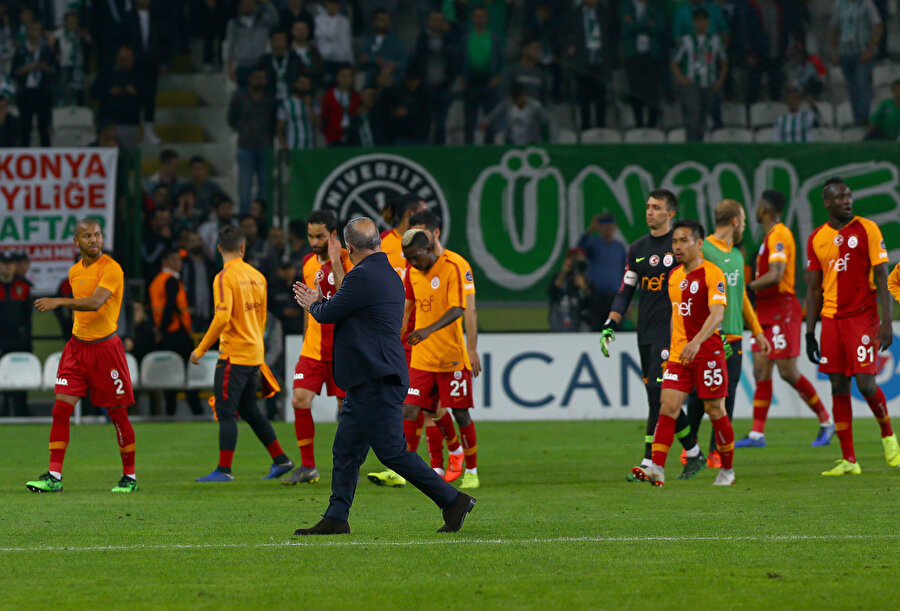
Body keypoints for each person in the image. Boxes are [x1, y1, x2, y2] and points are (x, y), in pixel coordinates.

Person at [292, 217, 475, 535]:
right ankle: (336, 517)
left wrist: (314, 303)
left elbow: (329, 313)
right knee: (346, 450)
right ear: (376, 241)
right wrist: (327, 295)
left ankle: (453, 500)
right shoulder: (387, 273)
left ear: (350, 247)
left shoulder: (363, 276)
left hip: (375, 378)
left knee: (392, 452)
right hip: (371, 376)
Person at [27, 220, 138, 493]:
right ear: (76, 242)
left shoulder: (111, 268)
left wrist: (60, 301)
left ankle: (130, 477)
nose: (94, 240)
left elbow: (96, 303)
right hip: (77, 349)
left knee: (117, 414)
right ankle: (54, 476)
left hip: (106, 351)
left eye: (97, 235)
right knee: (61, 409)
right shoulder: (75, 272)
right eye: (87, 236)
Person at [601, 191, 703, 479]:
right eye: (647, 206)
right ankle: (693, 453)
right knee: (654, 398)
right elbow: (626, 290)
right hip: (644, 332)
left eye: (656, 208)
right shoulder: (637, 249)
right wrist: (611, 321)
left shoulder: (680, 249)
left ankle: (650, 462)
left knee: (661, 395)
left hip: (670, 333)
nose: (649, 212)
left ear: (670, 214)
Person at [805, 177, 899, 475]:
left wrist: (887, 321)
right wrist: (810, 332)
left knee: (866, 383)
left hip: (862, 315)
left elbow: (883, 277)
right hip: (831, 319)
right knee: (837, 384)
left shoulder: (868, 229)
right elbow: (813, 289)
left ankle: (888, 437)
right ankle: (849, 460)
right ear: (827, 203)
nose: (847, 200)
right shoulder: (816, 238)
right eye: (840, 197)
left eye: (849, 195)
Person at [632, 219, 735, 486]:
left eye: (683, 241)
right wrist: (675, 345)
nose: (677, 246)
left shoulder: (713, 274)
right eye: (674, 241)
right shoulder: (674, 276)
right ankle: (656, 467)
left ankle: (727, 470)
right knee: (668, 407)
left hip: (708, 353)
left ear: (699, 244)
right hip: (680, 354)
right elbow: (676, 317)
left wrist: (697, 341)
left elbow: (718, 313)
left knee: (715, 410)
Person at [191, 225, 295, 482]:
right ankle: (281, 459)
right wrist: (258, 351)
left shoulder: (224, 277)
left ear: (218, 249)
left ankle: (224, 470)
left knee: (226, 412)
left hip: (234, 356)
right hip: (253, 354)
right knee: (249, 410)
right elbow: (262, 318)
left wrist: (200, 349)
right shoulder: (258, 276)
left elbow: (222, 317)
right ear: (243, 247)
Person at [738, 190, 835, 447]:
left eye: (758, 205)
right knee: (761, 369)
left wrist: (748, 288)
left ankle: (826, 421)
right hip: (765, 309)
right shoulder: (767, 237)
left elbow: (777, 274)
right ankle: (757, 434)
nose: (756, 209)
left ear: (764, 210)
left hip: (782, 309)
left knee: (787, 371)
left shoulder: (780, 234)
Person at [683, 200, 771, 468]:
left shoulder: (736, 255)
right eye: (743, 219)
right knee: (699, 394)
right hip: (710, 335)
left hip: (734, 336)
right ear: (735, 221)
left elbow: (742, 295)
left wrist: (757, 330)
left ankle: (715, 452)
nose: (744, 224)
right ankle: (692, 447)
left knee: (727, 395)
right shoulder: (705, 249)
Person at [397, 228, 481, 488]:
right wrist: (392, 338)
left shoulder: (451, 268)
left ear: (428, 249)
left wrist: (428, 330)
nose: (411, 262)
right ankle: (404, 469)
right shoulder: (412, 273)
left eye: (415, 256)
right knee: (411, 408)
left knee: (460, 412)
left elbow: (459, 308)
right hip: (422, 356)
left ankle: (471, 470)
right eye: (407, 258)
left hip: (451, 356)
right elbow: (406, 307)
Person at [281, 210, 351, 485]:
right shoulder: (308, 262)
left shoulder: (349, 259)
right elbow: (307, 304)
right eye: (310, 236)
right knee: (299, 399)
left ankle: (348, 466)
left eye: (319, 236)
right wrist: (304, 335)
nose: (313, 241)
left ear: (333, 235)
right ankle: (308, 466)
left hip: (342, 347)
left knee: (347, 408)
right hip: (313, 347)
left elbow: (347, 295)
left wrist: (335, 261)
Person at [149, 250, 204, 417]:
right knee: (187, 374)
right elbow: (170, 307)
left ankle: (170, 412)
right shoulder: (171, 280)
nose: (178, 263)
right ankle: (197, 412)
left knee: (170, 374)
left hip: (166, 334)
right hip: (176, 333)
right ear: (165, 262)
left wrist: (159, 330)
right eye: (174, 259)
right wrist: (164, 329)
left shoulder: (156, 281)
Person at [672, 8, 728, 142]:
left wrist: (720, 79)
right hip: (692, 84)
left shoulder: (715, 41)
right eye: (698, 20)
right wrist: (681, 78)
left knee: (703, 117)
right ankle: (691, 146)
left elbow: (724, 61)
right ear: (693, 22)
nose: (701, 24)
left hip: (709, 83)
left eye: (704, 20)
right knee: (692, 115)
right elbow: (674, 62)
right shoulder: (686, 41)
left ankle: (700, 145)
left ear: (708, 22)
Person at [228, 68, 276, 214]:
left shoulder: (270, 99)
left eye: (262, 77)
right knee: (245, 185)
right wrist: (243, 130)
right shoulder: (240, 97)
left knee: (265, 186)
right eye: (256, 77)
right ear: (249, 79)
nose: (259, 80)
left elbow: (274, 121)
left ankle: (262, 218)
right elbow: (231, 118)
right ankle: (244, 217)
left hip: (265, 147)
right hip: (245, 146)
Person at [830, 0, 883, 126]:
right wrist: (834, 51)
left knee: (862, 86)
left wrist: (870, 49)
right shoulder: (839, 4)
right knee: (852, 89)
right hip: (845, 53)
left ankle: (863, 119)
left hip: (862, 53)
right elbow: (834, 28)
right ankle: (857, 120)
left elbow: (878, 26)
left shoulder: (866, 4)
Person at [408, 9, 457, 144]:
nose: (437, 23)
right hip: (423, 88)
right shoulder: (419, 41)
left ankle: (439, 152)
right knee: (423, 123)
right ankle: (424, 152)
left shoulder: (450, 41)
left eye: (440, 20)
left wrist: (449, 83)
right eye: (434, 19)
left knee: (441, 124)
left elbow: (454, 64)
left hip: (443, 88)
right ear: (428, 21)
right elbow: (412, 62)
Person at [566, 0, 611, 130]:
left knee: (601, 100)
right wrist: (570, 45)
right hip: (583, 63)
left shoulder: (605, 12)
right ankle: (586, 129)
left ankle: (601, 130)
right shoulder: (574, 13)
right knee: (584, 99)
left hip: (600, 62)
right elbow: (564, 32)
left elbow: (613, 34)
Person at [123, 0, 163, 144]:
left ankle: (148, 132)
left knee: (150, 98)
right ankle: (133, 131)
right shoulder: (128, 17)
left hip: (151, 63)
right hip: (134, 64)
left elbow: (162, 39)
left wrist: (161, 60)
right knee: (134, 97)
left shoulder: (157, 16)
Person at [461, 6, 503, 144]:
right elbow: (460, 58)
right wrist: (462, 77)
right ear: (472, 19)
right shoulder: (467, 38)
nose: (479, 19)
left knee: (489, 119)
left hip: (488, 83)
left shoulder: (494, 38)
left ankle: (489, 147)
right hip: (471, 83)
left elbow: (501, 60)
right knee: (469, 120)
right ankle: (468, 147)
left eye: (482, 16)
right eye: (476, 16)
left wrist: (497, 77)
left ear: (487, 18)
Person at [578, 213, 626, 331]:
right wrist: (590, 229)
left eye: (610, 227)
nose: (607, 230)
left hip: (615, 298)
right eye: (605, 227)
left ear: (614, 227)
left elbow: (624, 272)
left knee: (615, 329)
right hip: (596, 296)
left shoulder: (619, 247)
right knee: (595, 328)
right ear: (600, 228)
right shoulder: (593, 244)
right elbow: (579, 248)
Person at [620, 0, 665, 128]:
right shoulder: (626, 5)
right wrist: (647, 24)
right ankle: (638, 124)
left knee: (653, 92)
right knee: (635, 92)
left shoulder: (655, 5)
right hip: (633, 55)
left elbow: (659, 27)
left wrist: (635, 24)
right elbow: (626, 27)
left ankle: (652, 125)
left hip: (652, 56)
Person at [12, 20, 55, 146]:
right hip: (26, 92)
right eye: (32, 29)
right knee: (25, 128)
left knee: (44, 128)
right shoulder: (20, 50)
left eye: (37, 29)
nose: (35, 32)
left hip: (43, 92)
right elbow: (13, 72)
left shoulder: (46, 49)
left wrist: (43, 67)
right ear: (27, 31)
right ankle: (24, 154)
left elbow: (55, 70)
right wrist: (25, 69)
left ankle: (46, 156)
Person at [91, 45, 142, 151]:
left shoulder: (137, 74)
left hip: (129, 122)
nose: (127, 62)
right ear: (118, 59)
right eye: (124, 59)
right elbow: (93, 92)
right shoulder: (106, 73)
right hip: (109, 121)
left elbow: (146, 96)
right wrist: (109, 92)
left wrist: (134, 92)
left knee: (127, 156)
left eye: (129, 59)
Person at [0, 251, 32, 417]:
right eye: (4, 263)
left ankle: (21, 413)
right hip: (1, 342)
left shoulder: (24, 287)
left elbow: (28, 319)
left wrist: (27, 342)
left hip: (19, 342)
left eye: (11, 263)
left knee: (21, 379)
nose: (7, 267)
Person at [480, 83, 554, 146]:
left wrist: (552, 140)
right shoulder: (508, 104)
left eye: (519, 99)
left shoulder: (535, 106)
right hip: (512, 141)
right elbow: (495, 114)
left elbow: (549, 120)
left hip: (531, 142)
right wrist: (486, 121)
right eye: (515, 100)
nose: (517, 102)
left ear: (523, 95)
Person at [225, 0, 276, 88]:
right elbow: (230, 46)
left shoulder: (263, 21)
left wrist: (266, 3)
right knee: (244, 93)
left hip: (261, 64)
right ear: (240, 6)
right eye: (245, 4)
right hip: (243, 65)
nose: (248, 6)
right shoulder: (233, 24)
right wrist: (230, 68)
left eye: (250, 3)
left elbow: (275, 21)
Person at [379, 193, 427, 279]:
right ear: (409, 214)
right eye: (424, 212)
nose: (428, 217)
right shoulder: (381, 242)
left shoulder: (427, 244)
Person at [358, 9, 407, 87]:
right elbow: (363, 59)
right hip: (370, 79)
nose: (384, 22)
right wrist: (375, 60)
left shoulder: (397, 42)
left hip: (391, 79)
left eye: (386, 20)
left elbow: (404, 61)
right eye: (381, 20)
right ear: (374, 22)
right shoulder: (368, 41)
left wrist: (390, 64)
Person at [548, 247, 591, 332]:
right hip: (561, 315)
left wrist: (584, 287)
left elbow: (592, 301)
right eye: (574, 257)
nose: (576, 260)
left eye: (580, 256)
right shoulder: (559, 276)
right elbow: (552, 293)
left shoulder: (586, 279)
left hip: (579, 318)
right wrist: (564, 272)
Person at [257, 29, 302, 103]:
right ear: (271, 41)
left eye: (282, 39)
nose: (279, 43)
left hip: (292, 98)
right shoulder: (264, 60)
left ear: (286, 41)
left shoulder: (295, 60)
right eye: (276, 39)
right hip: (269, 99)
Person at [181, 231, 214, 330]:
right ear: (187, 244)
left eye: (199, 240)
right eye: (193, 241)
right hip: (190, 309)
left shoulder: (209, 263)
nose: (197, 243)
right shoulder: (183, 264)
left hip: (207, 309)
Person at [277, 74, 319, 151]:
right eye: (302, 83)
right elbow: (279, 129)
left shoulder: (313, 103)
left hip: (310, 149)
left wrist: (309, 107)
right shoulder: (286, 104)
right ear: (295, 84)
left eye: (307, 84)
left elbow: (318, 124)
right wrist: (285, 146)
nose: (304, 86)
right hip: (293, 148)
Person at [315, 0, 353, 85]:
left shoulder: (344, 21)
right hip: (326, 60)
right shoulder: (319, 19)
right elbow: (328, 35)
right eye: (331, 3)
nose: (333, 6)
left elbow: (347, 42)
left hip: (342, 59)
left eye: (336, 3)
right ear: (326, 3)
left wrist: (350, 60)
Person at [320, 65, 360, 146]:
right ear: (337, 77)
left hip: (352, 138)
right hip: (333, 138)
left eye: (349, 76)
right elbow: (324, 117)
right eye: (343, 76)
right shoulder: (329, 96)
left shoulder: (357, 97)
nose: (346, 79)